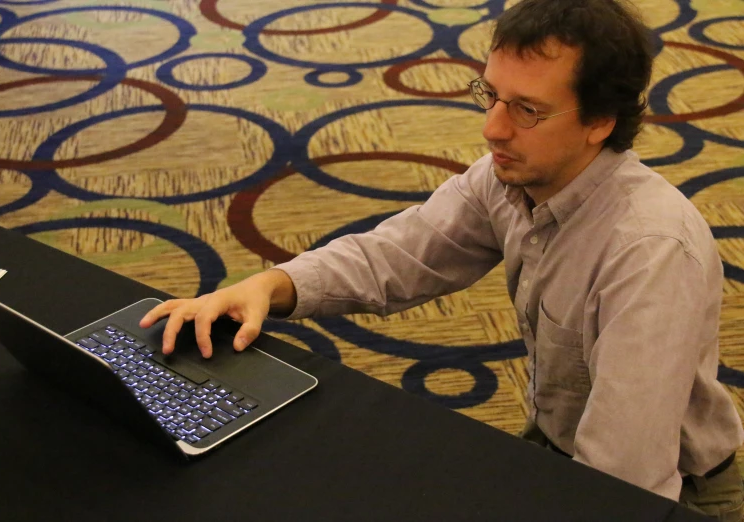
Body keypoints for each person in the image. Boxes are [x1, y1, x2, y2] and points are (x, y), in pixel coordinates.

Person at [140, 0, 744, 517]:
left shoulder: (649, 256)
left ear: (600, 122)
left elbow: (625, 480)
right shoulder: (510, 178)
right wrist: (271, 285)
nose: (493, 129)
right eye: (491, 96)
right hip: (559, 446)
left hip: (672, 493)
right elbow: (398, 255)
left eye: (527, 110)